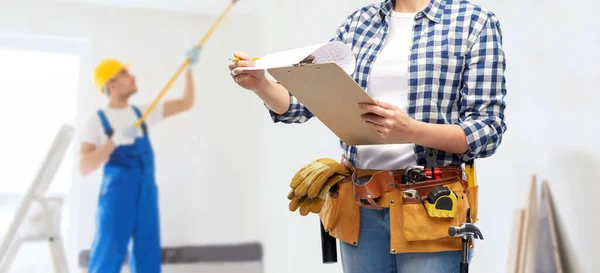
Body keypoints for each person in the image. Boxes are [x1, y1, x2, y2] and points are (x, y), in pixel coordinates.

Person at [228, 0, 507, 272]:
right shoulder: (360, 23)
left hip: (429, 209)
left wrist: (412, 131)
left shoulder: (474, 22)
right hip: (361, 207)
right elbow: (302, 104)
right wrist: (262, 85)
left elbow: (488, 130)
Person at [78, 46, 201, 273]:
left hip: (146, 191)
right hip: (117, 196)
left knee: (147, 253)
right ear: (112, 84)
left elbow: (186, 102)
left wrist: (189, 70)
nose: (132, 76)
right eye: (125, 74)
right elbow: (84, 166)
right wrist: (112, 142)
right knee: (108, 252)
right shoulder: (95, 121)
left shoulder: (144, 113)